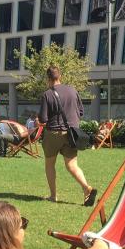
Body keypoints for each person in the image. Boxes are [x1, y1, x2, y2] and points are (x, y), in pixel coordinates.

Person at [38, 66, 96, 206]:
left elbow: (43, 119)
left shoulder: (47, 94)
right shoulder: (72, 90)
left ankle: (53, 196)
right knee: (72, 165)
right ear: (60, 76)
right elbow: (80, 112)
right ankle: (86, 188)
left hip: (53, 133)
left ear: (48, 79)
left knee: (50, 165)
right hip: (72, 134)